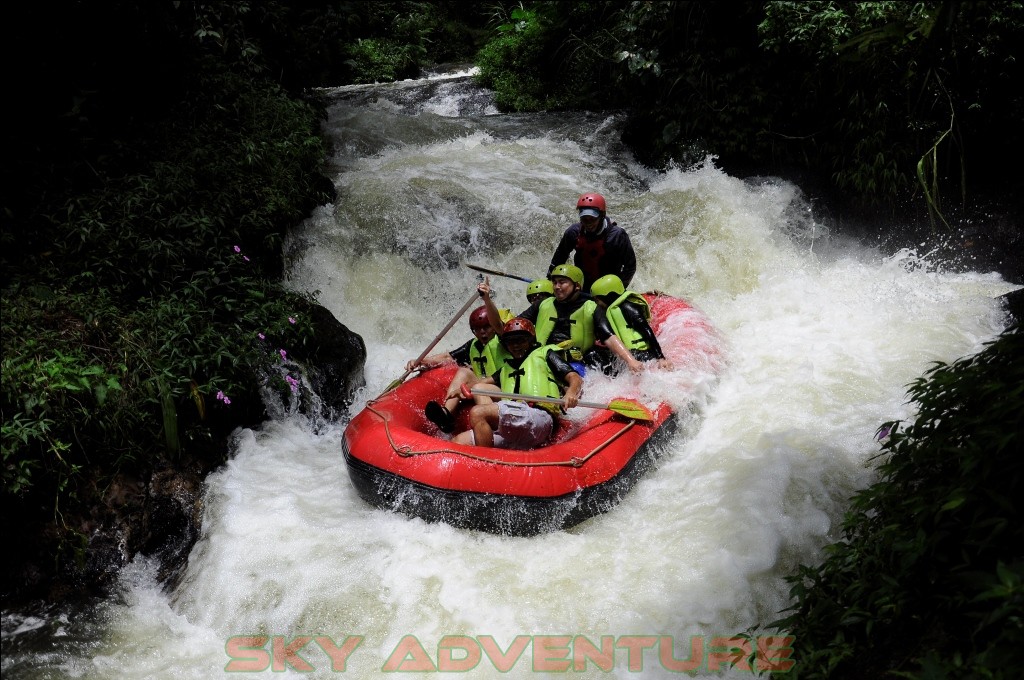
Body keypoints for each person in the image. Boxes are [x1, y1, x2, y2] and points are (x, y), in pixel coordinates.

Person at [482, 264, 643, 374]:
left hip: (576, 364)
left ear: (577, 286)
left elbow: (608, 337)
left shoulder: (591, 307)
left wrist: (630, 361)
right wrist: (487, 300)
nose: (557, 287)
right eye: (554, 282)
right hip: (540, 360)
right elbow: (504, 328)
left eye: (562, 282)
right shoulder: (542, 305)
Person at [452, 317, 582, 449]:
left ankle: (487, 462)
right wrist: (461, 390)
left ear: (530, 340)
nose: (515, 346)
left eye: (520, 341)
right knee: (458, 441)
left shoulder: (545, 355)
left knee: (478, 412)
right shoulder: (506, 369)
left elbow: (574, 377)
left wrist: (571, 393)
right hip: (515, 424)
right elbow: (480, 384)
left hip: (539, 417)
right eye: (510, 342)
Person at [406, 296, 510, 433]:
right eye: (477, 329)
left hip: (504, 388)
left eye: (486, 327)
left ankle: (493, 426)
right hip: (481, 386)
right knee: (463, 372)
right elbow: (448, 357)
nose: (482, 332)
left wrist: (486, 299)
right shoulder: (472, 345)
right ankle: (446, 415)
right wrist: (420, 361)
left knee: (479, 387)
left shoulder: (505, 341)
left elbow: (499, 325)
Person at [547, 192, 637, 293]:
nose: (588, 223)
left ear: (602, 216)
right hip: (582, 287)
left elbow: (630, 266)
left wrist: (618, 289)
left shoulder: (617, 235)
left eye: (592, 219)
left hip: (608, 288)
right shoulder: (573, 232)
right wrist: (552, 282)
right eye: (584, 219)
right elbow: (558, 259)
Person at [587, 274, 674, 373]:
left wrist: (660, 358)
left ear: (609, 296)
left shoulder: (629, 308)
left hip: (641, 354)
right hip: (630, 353)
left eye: (598, 299)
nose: (597, 303)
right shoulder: (611, 310)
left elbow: (646, 331)